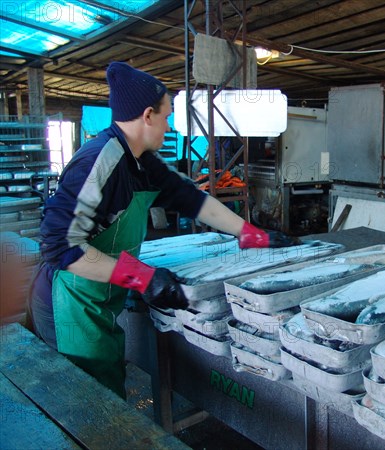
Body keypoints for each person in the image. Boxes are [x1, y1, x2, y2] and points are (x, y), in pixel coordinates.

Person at [29, 62, 297, 398]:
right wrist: (141, 277)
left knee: (109, 384)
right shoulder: (100, 161)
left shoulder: (143, 161)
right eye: (167, 115)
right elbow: (58, 247)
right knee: (88, 403)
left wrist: (251, 233)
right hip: (69, 298)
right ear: (147, 116)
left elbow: (191, 199)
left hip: (101, 293)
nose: (169, 126)